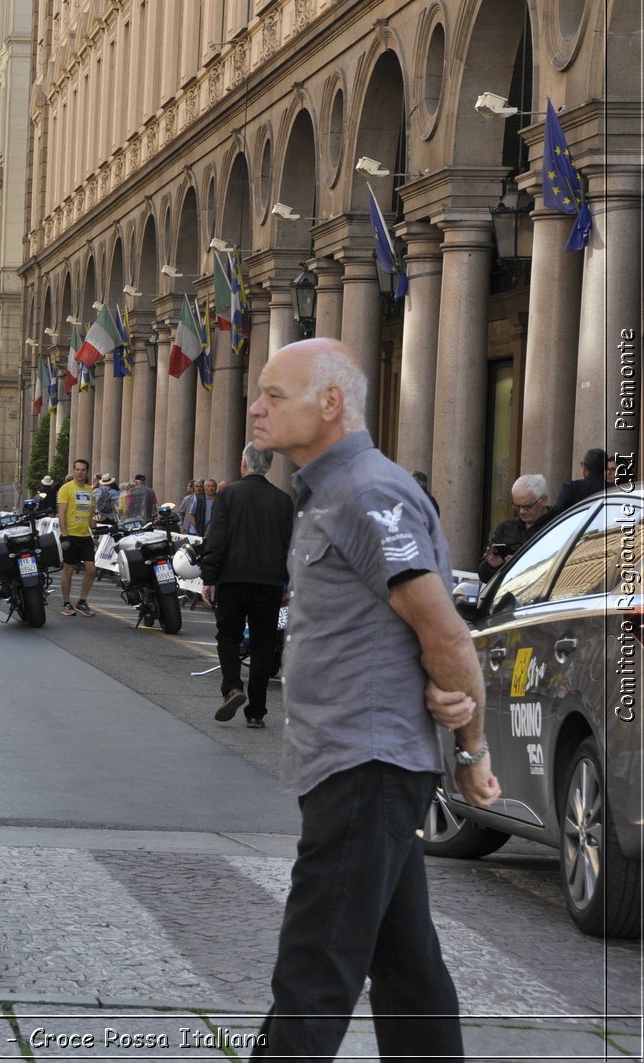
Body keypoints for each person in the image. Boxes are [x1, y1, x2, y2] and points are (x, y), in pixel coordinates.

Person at [246, 337, 499, 1059]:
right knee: (406, 967)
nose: (257, 408)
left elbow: (444, 632)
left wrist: (473, 749)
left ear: (331, 403)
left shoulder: (367, 493)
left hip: (367, 769)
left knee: (313, 973)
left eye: (274, 394)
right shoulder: (331, 491)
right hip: (360, 765)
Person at [200, 443, 293, 729]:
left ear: (244, 464)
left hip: (233, 578)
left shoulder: (228, 494)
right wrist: (288, 582)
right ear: (269, 465)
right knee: (264, 645)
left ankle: (232, 687)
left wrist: (209, 577)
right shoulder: (283, 500)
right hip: (270, 582)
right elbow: (291, 545)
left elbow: (217, 539)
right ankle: (257, 710)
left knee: (228, 636)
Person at [477, 473, 551, 583]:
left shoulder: (559, 524)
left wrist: (522, 566)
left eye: (527, 506)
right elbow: (484, 576)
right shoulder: (506, 527)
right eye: (517, 506)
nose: (521, 511)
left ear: (543, 500)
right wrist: (492, 565)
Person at [55, 458, 96, 616]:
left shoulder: (90, 490)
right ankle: (66, 603)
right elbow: (61, 513)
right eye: (77, 469)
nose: (80, 472)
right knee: (68, 569)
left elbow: (91, 514)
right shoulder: (66, 489)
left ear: (86, 472)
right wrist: (64, 535)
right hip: (70, 535)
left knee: (91, 569)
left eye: (83, 470)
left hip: (85, 535)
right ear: (73, 471)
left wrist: (95, 532)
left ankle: (82, 601)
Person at [552, 447, 608, 514]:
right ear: (605, 469)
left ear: (585, 467)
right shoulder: (613, 490)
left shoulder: (571, 489)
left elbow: (558, 513)